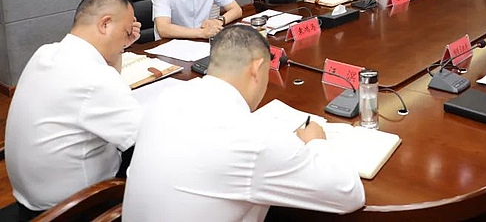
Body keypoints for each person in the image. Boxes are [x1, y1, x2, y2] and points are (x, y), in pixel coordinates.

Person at [122, 25, 365, 221]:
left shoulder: (166, 98)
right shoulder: (254, 138)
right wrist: (316, 142)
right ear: (257, 69)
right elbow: (349, 194)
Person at [6, 0, 143, 217]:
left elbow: (109, 78)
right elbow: (145, 136)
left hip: (30, 201)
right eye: (127, 31)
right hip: (73, 208)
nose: (127, 38)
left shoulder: (45, 52)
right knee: (152, 155)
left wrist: (121, 45)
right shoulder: (95, 78)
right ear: (105, 24)